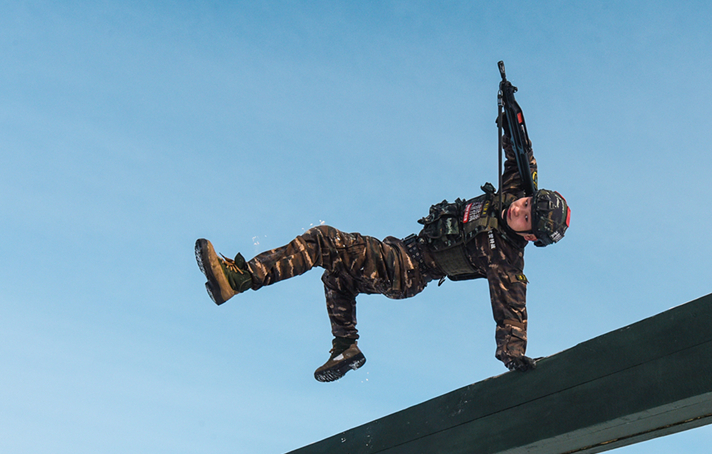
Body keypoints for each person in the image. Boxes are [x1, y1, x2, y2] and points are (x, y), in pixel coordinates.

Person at [195, 113, 570, 383]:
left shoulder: (506, 259)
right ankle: (346, 347)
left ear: (530, 237)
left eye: (524, 218)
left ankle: (240, 278)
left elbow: (512, 314)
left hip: (407, 269)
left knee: (325, 240)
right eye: (524, 204)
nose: (517, 209)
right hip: (401, 250)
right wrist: (509, 109)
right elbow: (520, 149)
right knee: (336, 277)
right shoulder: (515, 190)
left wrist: (513, 356)